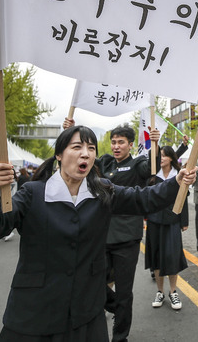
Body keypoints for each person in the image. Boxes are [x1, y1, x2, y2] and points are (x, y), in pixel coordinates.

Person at [0, 125, 196, 341]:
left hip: (86, 312)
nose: (85, 154)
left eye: (91, 148)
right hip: (35, 311)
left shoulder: (103, 191)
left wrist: (176, 182)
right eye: (77, 147)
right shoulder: (33, 193)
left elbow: (142, 198)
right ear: (59, 154)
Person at [63, 117, 159, 342]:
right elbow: (78, 157)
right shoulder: (104, 162)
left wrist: (154, 143)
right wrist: (68, 134)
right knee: (92, 282)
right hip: (100, 234)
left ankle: (120, 336)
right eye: (114, 141)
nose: (116, 146)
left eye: (121, 142)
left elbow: (151, 167)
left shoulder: (138, 165)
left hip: (127, 237)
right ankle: (118, 309)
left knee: (125, 292)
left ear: (130, 144)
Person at [146, 146, 188, 311]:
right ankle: (159, 291)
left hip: (172, 220)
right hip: (154, 220)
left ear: (171, 158)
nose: (161, 158)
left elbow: (183, 198)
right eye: (159, 155)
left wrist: (184, 221)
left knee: (172, 255)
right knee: (156, 256)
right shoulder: (151, 177)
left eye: (164, 155)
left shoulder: (177, 177)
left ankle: (173, 292)